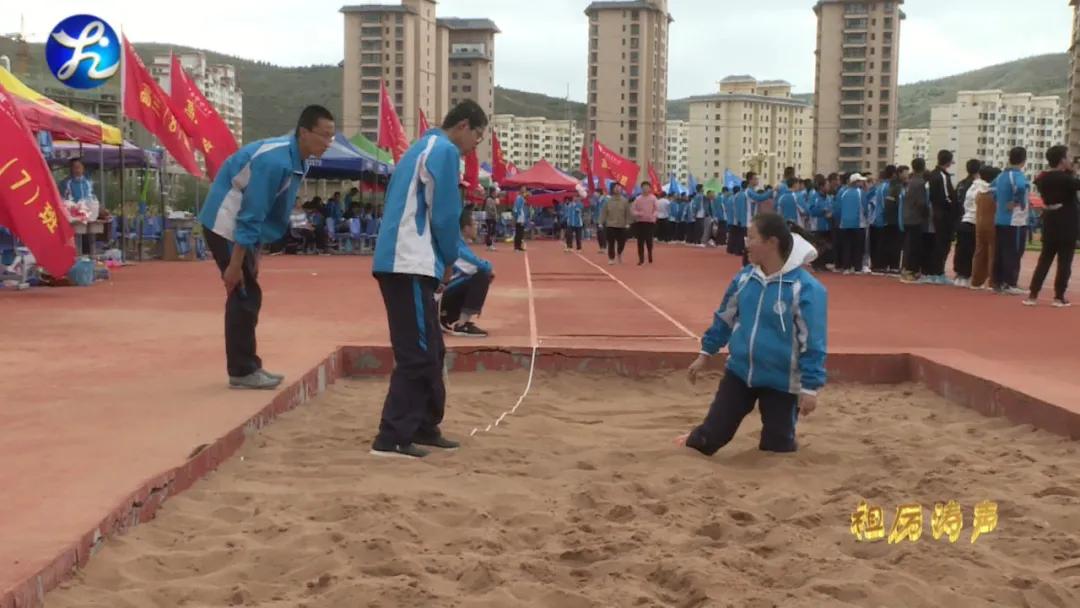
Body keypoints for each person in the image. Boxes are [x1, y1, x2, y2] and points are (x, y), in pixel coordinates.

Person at [371, 100, 488, 459]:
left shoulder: (420, 149)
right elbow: (445, 212)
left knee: (431, 349)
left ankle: (423, 425)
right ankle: (391, 437)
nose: (475, 146)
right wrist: (452, 258)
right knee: (417, 353)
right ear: (464, 126)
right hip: (407, 261)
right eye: (477, 137)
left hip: (410, 261)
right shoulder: (443, 150)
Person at [198, 105, 334, 389]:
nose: (328, 143)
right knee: (244, 294)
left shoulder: (296, 159)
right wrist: (235, 265)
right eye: (324, 136)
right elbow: (251, 212)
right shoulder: (276, 161)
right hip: (225, 221)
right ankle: (242, 371)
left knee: (246, 293)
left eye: (332, 137)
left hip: (240, 227)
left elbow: (269, 212)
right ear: (304, 132)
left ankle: (246, 366)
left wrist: (253, 254)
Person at [676, 213, 827, 456]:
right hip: (740, 373)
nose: (746, 243)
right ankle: (695, 437)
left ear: (771, 243)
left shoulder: (806, 288)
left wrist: (810, 389)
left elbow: (812, 342)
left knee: (777, 447)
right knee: (708, 438)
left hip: (782, 381)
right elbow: (724, 317)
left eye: (752, 237)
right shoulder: (745, 278)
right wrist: (705, 353)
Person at [1025, 145, 1079, 307]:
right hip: (1067, 224)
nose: (1070, 160)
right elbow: (1074, 184)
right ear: (1062, 160)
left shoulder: (1042, 178)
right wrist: (1072, 171)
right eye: (1068, 157)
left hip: (1050, 223)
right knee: (1064, 262)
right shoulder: (1067, 179)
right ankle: (1058, 297)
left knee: (1044, 260)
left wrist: (1070, 171)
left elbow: (1049, 181)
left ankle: (1033, 295)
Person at [439, 209, 494, 336]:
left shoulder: (457, 243)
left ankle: (448, 316)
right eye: (474, 224)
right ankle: (461, 324)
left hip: (443, 293)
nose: (477, 227)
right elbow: (478, 266)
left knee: (479, 275)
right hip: (441, 294)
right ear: (465, 228)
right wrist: (488, 267)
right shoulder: (456, 246)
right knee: (482, 275)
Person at [992, 147, 1029, 296]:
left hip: (1000, 219)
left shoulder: (1001, 176)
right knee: (1014, 252)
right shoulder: (1017, 175)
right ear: (1024, 160)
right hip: (1015, 220)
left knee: (1000, 251)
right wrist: (1015, 201)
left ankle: (998, 281)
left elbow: (990, 188)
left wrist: (1000, 202)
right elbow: (1021, 187)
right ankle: (1010, 283)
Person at [927, 150, 958, 284]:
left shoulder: (932, 175)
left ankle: (934, 272)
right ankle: (938, 272)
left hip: (936, 212)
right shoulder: (942, 176)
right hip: (944, 215)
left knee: (938, 244)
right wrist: (955, 209)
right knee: (943, 244)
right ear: (948, 161)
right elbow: (946, 197)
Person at [952, 160, 984, 287]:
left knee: (961, 248)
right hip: (971, 219)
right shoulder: (977, 185)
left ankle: (959, 273)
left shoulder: (961, 184)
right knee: (970, 249)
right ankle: (966, 274)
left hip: (960, 219)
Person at [971, 165, 1002, 290]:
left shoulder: (979, 192)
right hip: (992, 224)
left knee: (979, 252)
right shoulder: (993, 193)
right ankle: (992, 281)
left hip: (979, 223)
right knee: (993, 253)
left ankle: (976, 281)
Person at [901, 158, 929, 283]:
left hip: (907, 216)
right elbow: (921, 202)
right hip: (915, 218)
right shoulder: (920, 182)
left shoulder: (910, 181)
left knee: (908, 245)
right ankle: (911, 271)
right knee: (914, 246)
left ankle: (906, 269)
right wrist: (926, 214)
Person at [837, 174, 868, 274]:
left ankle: (846, 267)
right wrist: (866, 218)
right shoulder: (860, 193)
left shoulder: (842, 192)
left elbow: (837, 208)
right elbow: (865, 208)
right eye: (860, 181)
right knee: (858, 247)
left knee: (846, 246)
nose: (862, 183)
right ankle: (857, 268)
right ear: (856, 182)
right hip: (858, 224)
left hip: (844, 224)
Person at [600, 183, 631, 265]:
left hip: (621, 225)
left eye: (619, 187)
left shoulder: (625, 201)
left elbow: (628, 213)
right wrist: (601, 222)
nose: (617, 189)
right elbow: (604, 213)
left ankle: (619, 253)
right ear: (612, 189)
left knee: (622, 242)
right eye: (615, 187)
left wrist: (628, 223)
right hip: (610, 225)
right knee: (611, 242)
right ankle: (611, 258)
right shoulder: (608, 201)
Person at [631, 180, 658, 264]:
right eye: (644, 187)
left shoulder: (653, 198)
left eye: (647, 187)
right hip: (640, 222)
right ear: (641, 188)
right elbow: (633, 210)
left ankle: (650, 253)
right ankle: (641, 259)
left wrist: (653, 216)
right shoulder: (638, 199)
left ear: (650, 188)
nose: (645, 189)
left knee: (649, 240)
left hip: (650, 223)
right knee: (640, 241)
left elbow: (656, 209)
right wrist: (638, 214)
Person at [512, 186, 528, 252]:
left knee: (521, 233)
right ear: (520, 190)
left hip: (522, 217)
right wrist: (516, 216)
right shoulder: (518, 198)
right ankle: (516, 247)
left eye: (525, 189)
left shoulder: (522, 198)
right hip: (519, 217)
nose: (524, 190)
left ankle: (519, 246)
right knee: (518, 232)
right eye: (523, 189)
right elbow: (516, 208)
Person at [594, 189, 609, 254]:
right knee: (599, 234)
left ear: (599, 193)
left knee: (603, 233)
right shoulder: (598, 201)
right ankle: (601, 247)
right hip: (598, 219)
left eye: (596, 193)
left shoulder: (605, 200)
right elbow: (596, 210)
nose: (595, 194)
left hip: (603, 220)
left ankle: (604, 247)